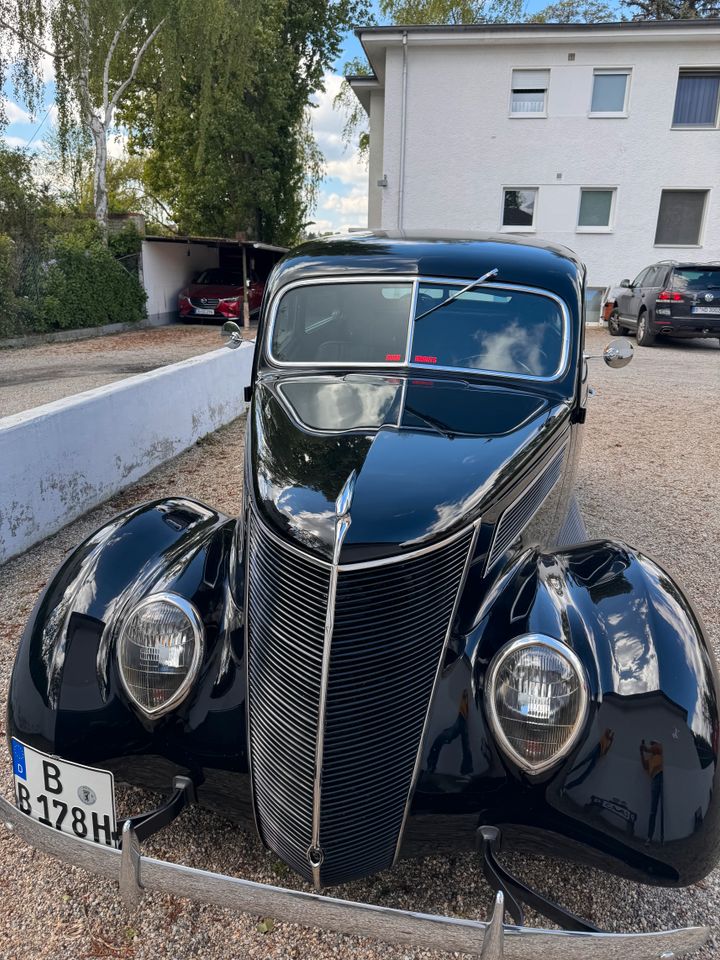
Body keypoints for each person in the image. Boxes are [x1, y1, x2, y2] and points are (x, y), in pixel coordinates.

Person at [427, 689, 473, 775]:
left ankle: (466, 769)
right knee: (441, 739)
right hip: (458, 721)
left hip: (462, 720)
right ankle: (431, 765)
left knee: (466, 745)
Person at [640, 739, 664, 844]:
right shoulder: (650, 759)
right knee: (653, 810)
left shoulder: (659, 751)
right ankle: (649, 837)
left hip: (661, 777)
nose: (652, 746)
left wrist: (645, 748)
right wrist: (641, 752)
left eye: (653, 744)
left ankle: (662, 837)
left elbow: (657, 749)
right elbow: (645, 766)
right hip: (654, 779)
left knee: (662, 807)